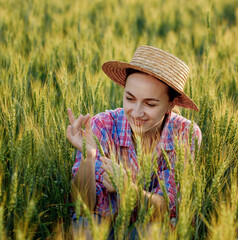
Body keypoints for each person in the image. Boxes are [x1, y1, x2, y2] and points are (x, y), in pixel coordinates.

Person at [66, 45, 202, 238]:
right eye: (130, 98)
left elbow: (167, 207)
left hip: (152, 225)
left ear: (170, 105)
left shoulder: (185, 133)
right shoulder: (101, 125)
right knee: (84, 229)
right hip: (103, 223)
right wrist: (89, 157)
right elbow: (81, 207)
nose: (136, 112)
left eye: (150, 103)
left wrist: (128, 190)